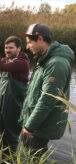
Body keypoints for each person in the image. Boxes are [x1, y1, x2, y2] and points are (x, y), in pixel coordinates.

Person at [19, 23, 74, 156]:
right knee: (29, 158)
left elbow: (47, 99)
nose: (27, 47)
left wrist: (29, 126)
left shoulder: (56, 64)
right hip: (36, 124)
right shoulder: (45, 59)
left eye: (29, 42)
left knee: (32, 162)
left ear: (41, 39)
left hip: (39, 127)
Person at [0, 36, 30, 153]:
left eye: (11, 48)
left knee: (12, 135)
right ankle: (4, 156)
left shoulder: (22, 63)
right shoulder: (8, 60)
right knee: (4, 131)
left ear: (19, 48)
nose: (7, 51)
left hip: (15, 105)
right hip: (4, 102)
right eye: (5, 48)